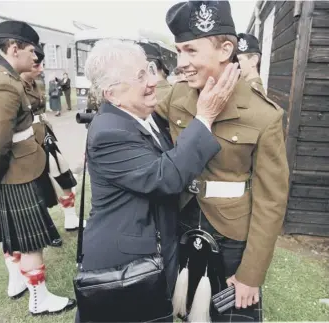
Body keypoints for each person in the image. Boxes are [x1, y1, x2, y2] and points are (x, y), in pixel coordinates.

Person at [75, 39, 240, 323]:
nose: (153, 81)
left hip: (153, 251)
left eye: (149, 69)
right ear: (112, 94)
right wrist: (205, 116)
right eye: (140, 77)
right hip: (126, 263)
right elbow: (166, 178)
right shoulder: (108, 132)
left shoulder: (142, 116)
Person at [155, 1, 289, 322]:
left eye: (190, 51)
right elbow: (136, 122)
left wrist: (251, 273)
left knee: (228, 316)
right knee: (182, 309)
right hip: (182, 222)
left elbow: (271, 202)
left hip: (231, 237)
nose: (181, 63)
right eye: (178, 52)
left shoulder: (263, 115)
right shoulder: (176, 96)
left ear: (225, 48)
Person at [0, 20, 76, 315]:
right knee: (30, 240)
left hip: (22, 168)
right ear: (14, 48)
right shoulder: (2, 86)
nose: (36, 57)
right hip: (16, 173)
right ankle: (39, 299)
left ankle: (27, 289)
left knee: (21, 238)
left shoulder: (9, 80)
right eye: (32, 51)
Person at [20, 47, 84, 232]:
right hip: (29, 142)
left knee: (63, 177)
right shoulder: (16, 86)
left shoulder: (35, 84)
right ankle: (43, 229)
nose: (41, 69)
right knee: (37, 188)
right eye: (37, 65)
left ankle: (71, 218)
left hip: (45, 136)